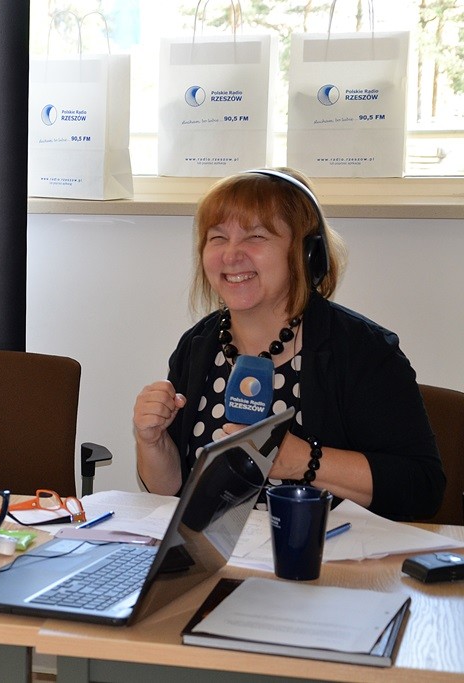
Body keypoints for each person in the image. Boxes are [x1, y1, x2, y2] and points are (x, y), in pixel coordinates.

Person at [132, 167, 445, 522]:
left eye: (255, 236)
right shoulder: (198, 345)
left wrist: (304, 461)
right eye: (217, 238)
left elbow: (422, 487)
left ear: (307, 253)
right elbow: (169, 491)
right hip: (218, 549)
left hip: (323, 552)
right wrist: (152, 441)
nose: (231, 255)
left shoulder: (362, 350)